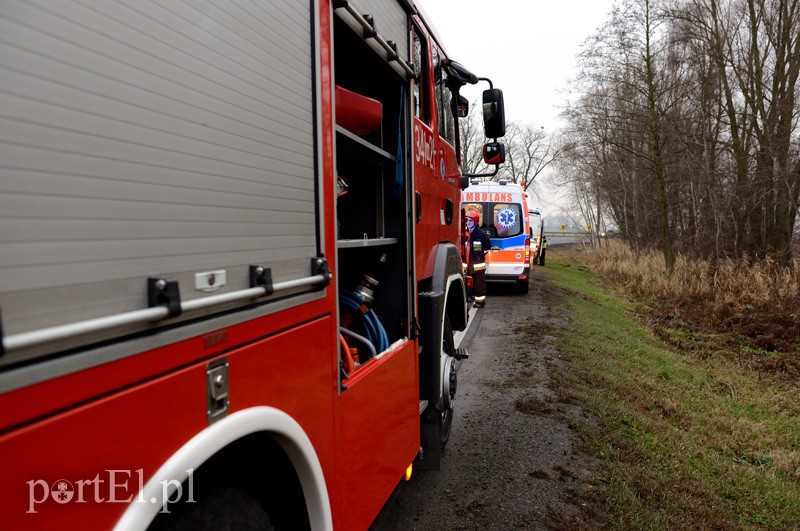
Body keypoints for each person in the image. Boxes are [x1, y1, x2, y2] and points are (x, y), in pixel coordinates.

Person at [465, 211, 491, 308]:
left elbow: (487, 248)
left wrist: (478, 256)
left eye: (471, 221)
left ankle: (480, 302)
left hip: (478, 265)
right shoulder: (463, 233)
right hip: (466, 264)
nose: (468, 222)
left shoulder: (481, 234)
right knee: (466, 283)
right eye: (467, 220)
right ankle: (468, 297)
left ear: (475, 222)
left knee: (479, 284)